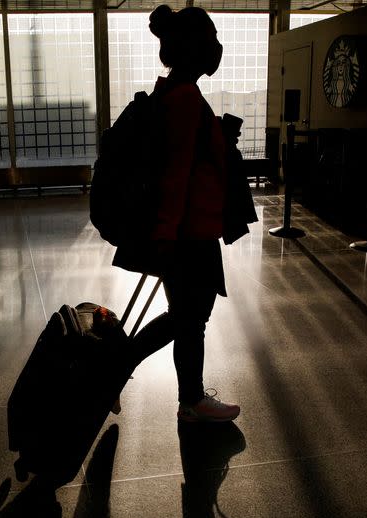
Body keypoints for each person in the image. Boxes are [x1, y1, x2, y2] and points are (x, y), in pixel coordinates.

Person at [117, 5, 240, 423]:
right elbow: (176, 174)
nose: (217, 49)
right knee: (190, 317)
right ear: (198, 48)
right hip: (189, 233)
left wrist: (218, 139)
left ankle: (189, 396)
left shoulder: (172, 92)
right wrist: (166, 236)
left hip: (185, 231)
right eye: (212, 40)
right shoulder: (186, 99)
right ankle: (176, 392)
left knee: (186, 316)